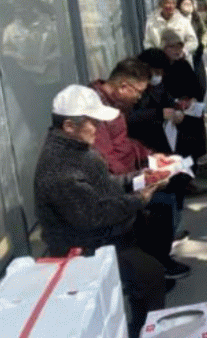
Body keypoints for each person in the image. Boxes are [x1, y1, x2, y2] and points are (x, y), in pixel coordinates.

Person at [34, 84, 166, 338]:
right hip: (85, 249)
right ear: (69, 126)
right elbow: (94, 214)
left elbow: (104, 184)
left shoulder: (76, 149)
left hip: (103, 237)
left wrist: (138, 179)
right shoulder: (60, 170)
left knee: (150, 266)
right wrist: (139, 199)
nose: (98, 128)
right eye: (93, 122)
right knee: (150, 277)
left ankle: (140, 323)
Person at [90, 58, 196, 279]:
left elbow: (124, 143)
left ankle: (159, 254)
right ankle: (157, 262)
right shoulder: (96, 111)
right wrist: (141, 178)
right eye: (138, 92)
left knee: (176, 182)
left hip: (127, 174)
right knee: (163, 203)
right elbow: (107, 159)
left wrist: (149, 156)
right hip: (114, 185)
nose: (139, 97)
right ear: (123, 86)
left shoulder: (115, 105)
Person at [160, 29, 207, 168]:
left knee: (193, 144)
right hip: (170, 113)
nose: (177, 51)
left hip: (189, 112)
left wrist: (192, 99)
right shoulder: (161, 67)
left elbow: (197, 88)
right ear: (164, 48)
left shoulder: (184, 64)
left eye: (179, 47)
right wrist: (174, 105)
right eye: (172, 47)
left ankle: (193, 166)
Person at [128, 48, 182, 154]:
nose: (158, 76)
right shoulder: (132, 86)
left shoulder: (158, 85)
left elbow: (168, 101)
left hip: (162, 135)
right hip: (140, 138)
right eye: (156, 72)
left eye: (161, 73)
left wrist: (177, 111)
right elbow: (131, 117)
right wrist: (160, 113)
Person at [177, 0, 207, 98]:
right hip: (182, 55)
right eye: (185, 4)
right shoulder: (176, 19)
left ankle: (199, 102)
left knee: (201, 83)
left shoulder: (196, 17)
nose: (188, 6)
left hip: (196, 54)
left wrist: (202, 45)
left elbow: (204, 31)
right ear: (179, 5)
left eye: (190, 4)